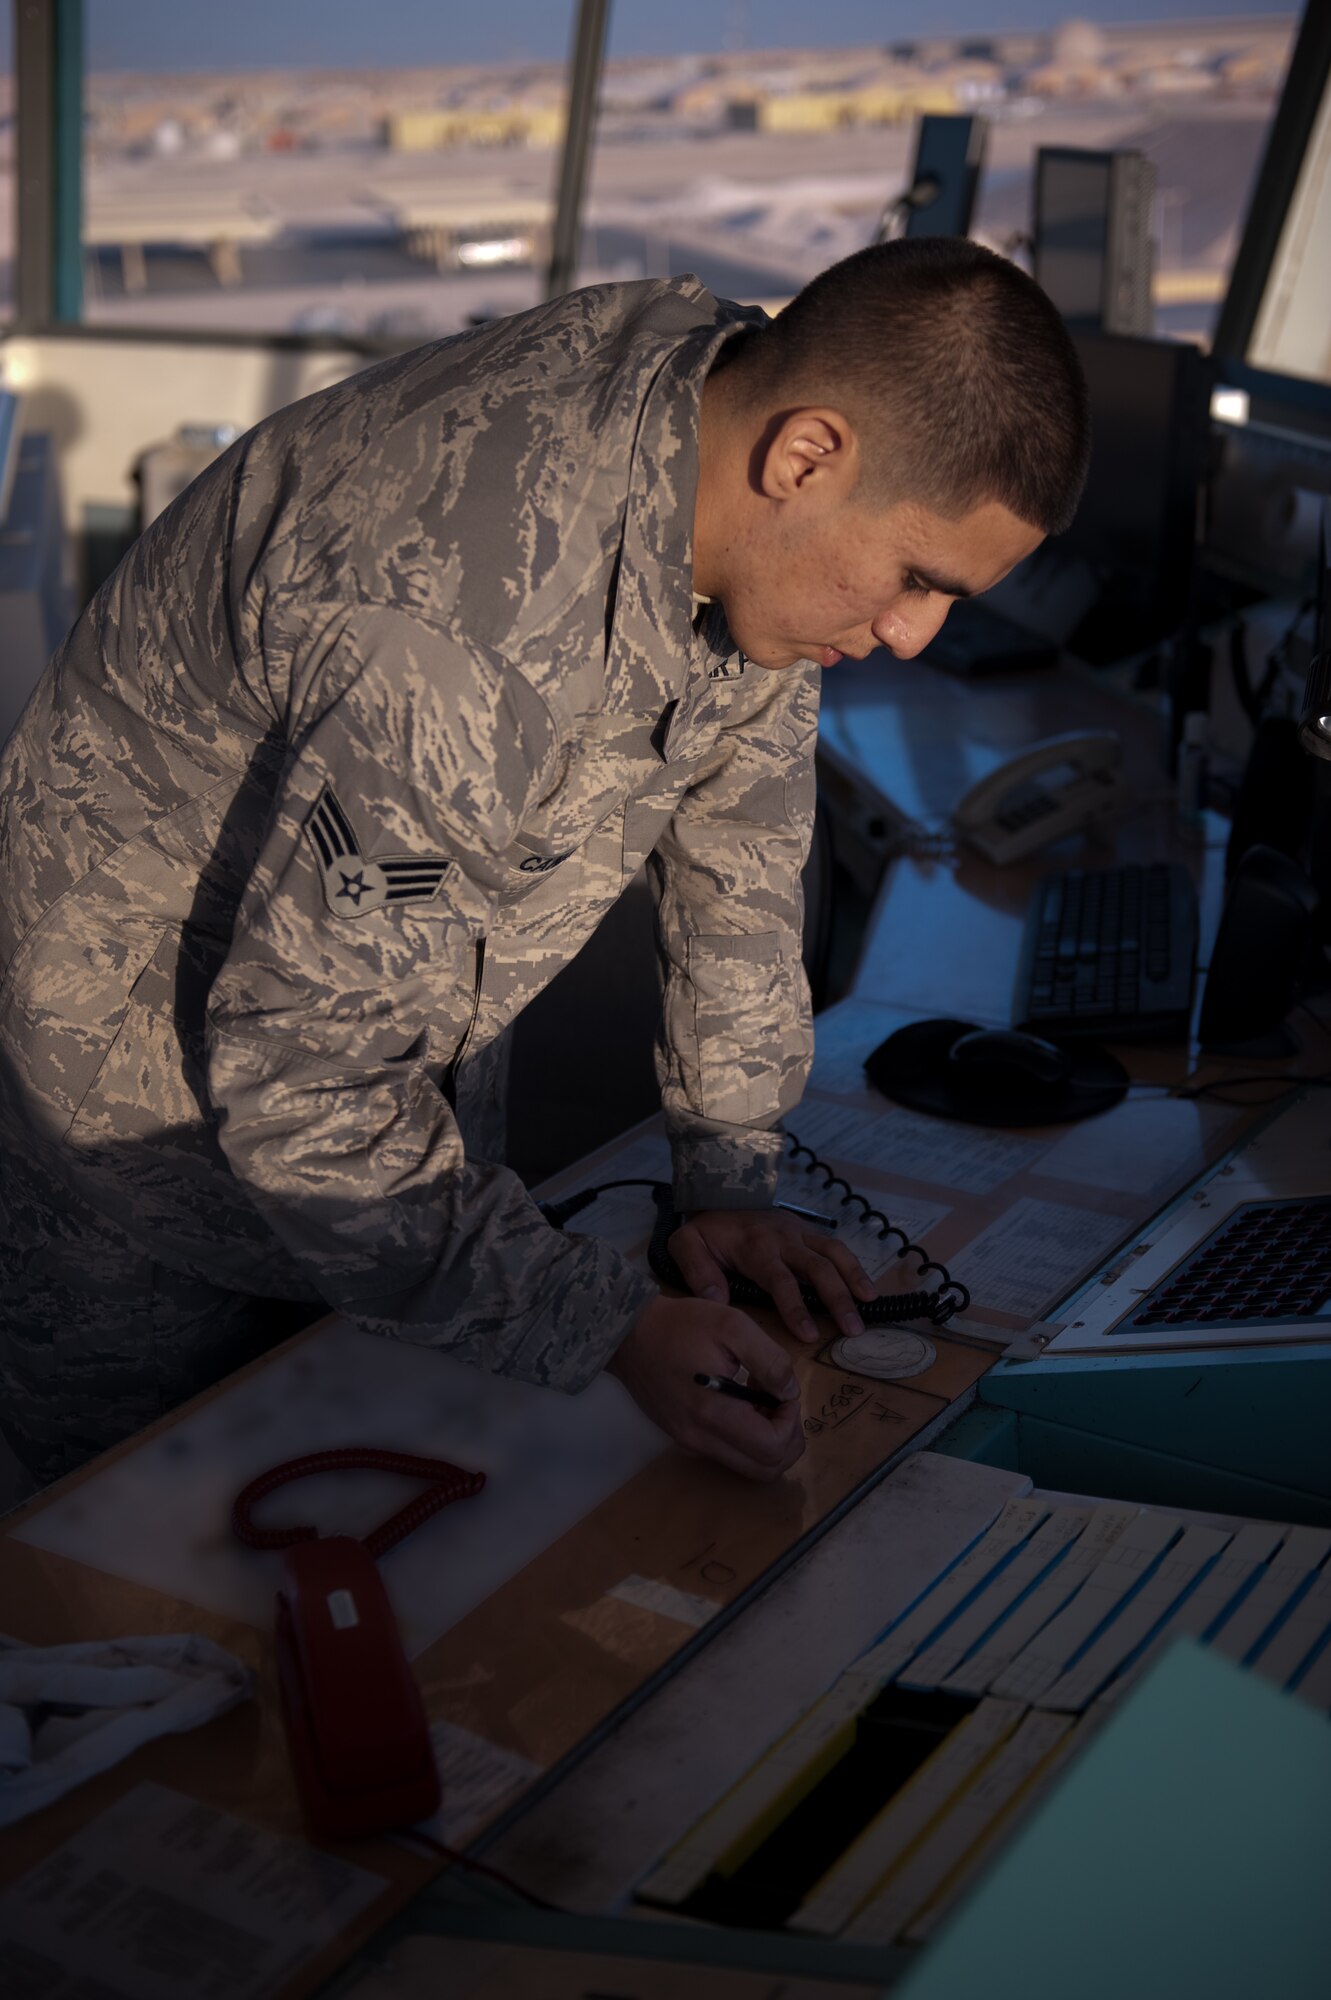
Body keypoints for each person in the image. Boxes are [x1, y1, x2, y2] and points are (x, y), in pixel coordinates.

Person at [0, 239, 1088, 1490]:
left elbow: (739, 852)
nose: (910, 634)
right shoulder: (456, 629)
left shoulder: (727, 446)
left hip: (381, 1099)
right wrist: (601, 1320)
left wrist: (728, 1175)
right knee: (162, 1567)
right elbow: (308, 1082)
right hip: (142, 1139)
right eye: (915, 578)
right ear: (806, 456)